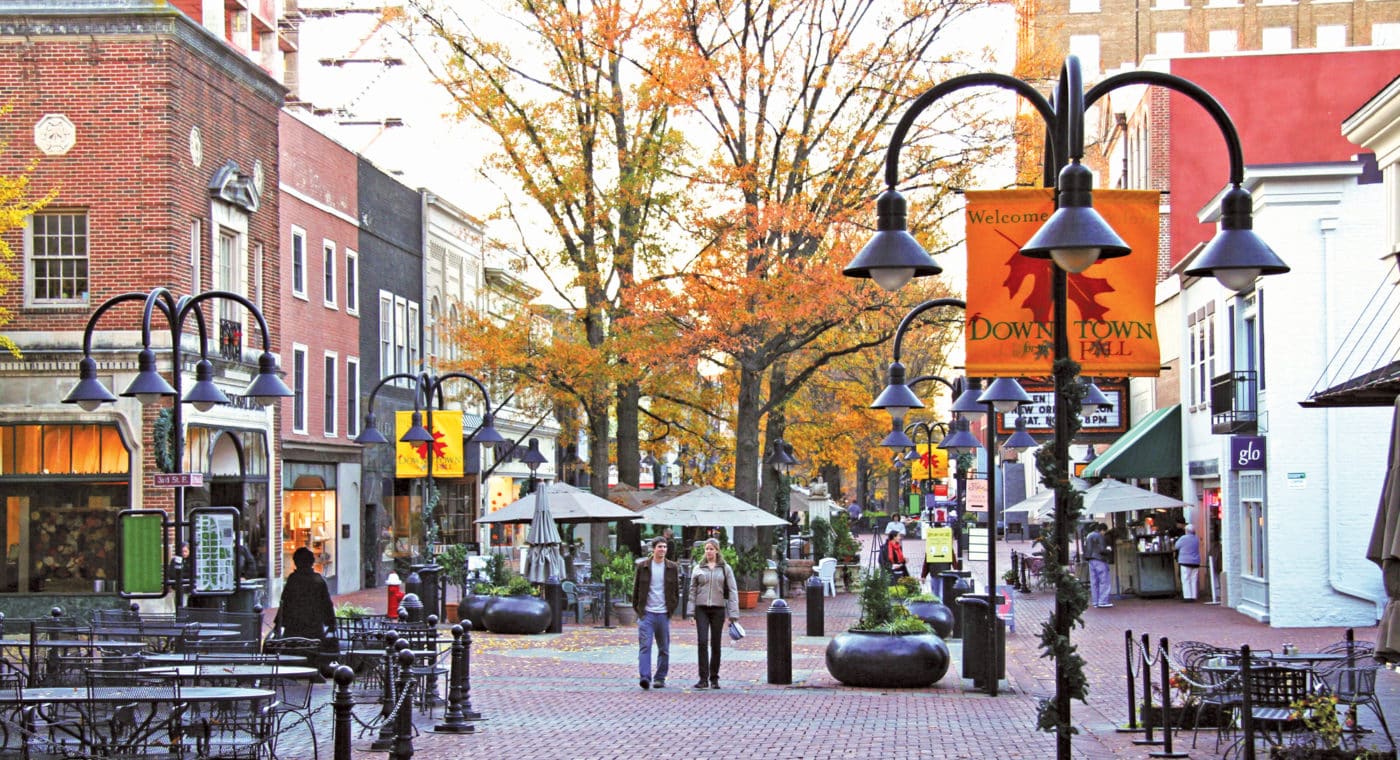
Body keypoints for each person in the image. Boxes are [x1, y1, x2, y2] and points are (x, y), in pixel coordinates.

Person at [687, 538, 739, 689]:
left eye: (711, 549)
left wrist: (733, 614)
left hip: (718, 609)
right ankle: (703, 678)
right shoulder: (698, 568)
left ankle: (714, 677)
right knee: (702, 642)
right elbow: (692, 591)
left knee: (716, 644)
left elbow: (733, 590)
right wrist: (690, 613)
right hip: (701, 608)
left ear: (717, 550)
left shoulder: (725, 568)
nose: (708, 551)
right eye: (706, 549)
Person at [632, 537, 679, 690]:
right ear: (653, 549)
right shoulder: (643, 566)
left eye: (665, 547)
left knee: (664, 648)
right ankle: (645, 677)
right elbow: (636, 591)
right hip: (647, 614)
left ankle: (660, 678)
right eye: (660, 547)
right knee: (645, 646)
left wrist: (670, 610)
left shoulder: (672, 567)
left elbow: (675, 592)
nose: (663, 550)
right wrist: (640, 611)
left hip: (664, 613)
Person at [273, 547, 336, 640]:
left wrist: (278, 624)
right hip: (314, 628)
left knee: (293, 652)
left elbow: (284, 603)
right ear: (311, 562)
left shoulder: (293, 579)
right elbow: (326, 603)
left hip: (294, 627)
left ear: (296, 563)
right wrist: (331, 623)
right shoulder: (318, 580)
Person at [1085, 523, 1112, 608]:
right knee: (1104, 581)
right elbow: (1102, 550)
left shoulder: (1089, 536)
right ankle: (1103, 601)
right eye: (1105, 532)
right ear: (1103, 530)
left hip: (1090, 560)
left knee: (1094, 582)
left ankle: (1095, 602)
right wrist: (1108, 549)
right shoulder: (1100, 536)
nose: (1104, 533)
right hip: (1099, 560)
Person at [1174, 523, 1201, 602]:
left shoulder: (1183, 538)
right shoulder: (1196, 539)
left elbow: (1176, 546)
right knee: (1193, 579)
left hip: (1185, 561)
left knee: (1186, 579)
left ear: (1186, 531)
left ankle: (1187, 597)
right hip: (1196, 561)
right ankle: (1193, 596)